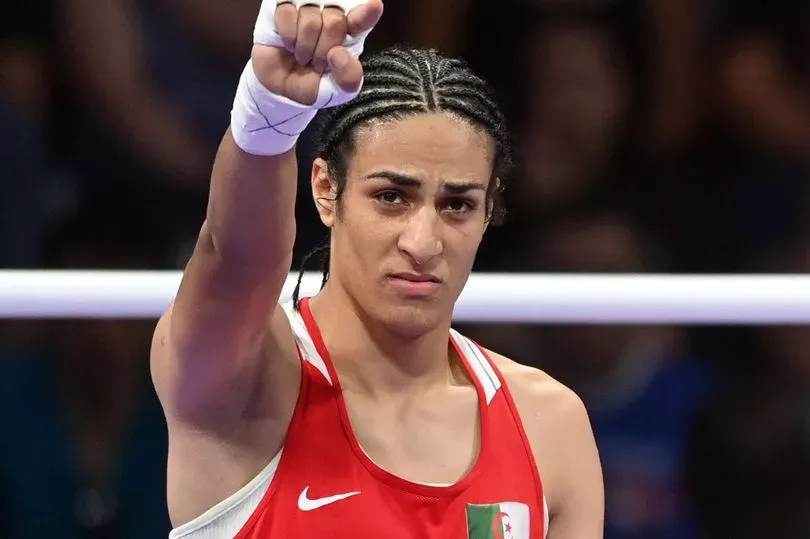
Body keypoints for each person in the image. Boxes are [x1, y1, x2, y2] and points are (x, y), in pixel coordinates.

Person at [150, 1, 604, 538]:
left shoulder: (547, 424)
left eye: (457, 205)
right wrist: (267, 118)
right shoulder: (249, 380)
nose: (423, 242)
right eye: (392, 196)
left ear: (489, 211)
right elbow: (236, 260)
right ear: (325, 189)